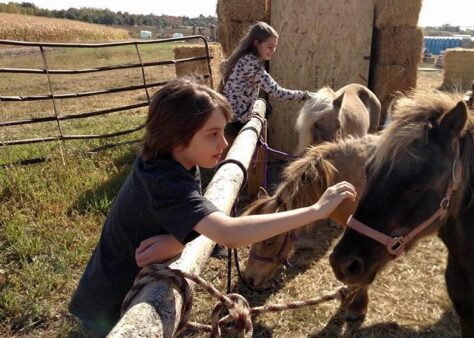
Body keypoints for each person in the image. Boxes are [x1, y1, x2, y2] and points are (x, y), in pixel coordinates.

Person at [69, 79, 356, 336]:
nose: (225, 142)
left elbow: (188, 216)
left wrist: (177, 239)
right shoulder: (164, 181)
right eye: (212, 134)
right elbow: (227, 234)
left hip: (116, 291)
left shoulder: (175, 161)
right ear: (177, 137)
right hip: (109, 312)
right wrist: (316, 210)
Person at [220, 21, 315, 139]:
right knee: (267, 110)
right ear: (257, 43)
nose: (273, 51)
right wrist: (305, 95)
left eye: (275, 47)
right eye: (270, 47)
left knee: (267, 108)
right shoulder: (252, 63)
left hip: (231, 115)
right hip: (236, 121)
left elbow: (223, 66)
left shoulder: (243, 56)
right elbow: (278, 93)